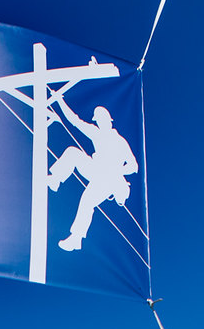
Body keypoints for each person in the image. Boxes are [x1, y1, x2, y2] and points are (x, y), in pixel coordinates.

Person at [46, 95, 137, 252]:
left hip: (109, 180)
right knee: (73, 153)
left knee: (87, 201)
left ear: (109, 121)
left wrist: (117, 171)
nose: (100, 122)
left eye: (102, 119)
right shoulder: (96, 133)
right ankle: (55, 180)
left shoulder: (120, 141)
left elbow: (133, 166)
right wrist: (59, 100)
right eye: (98, 120)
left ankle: (76, 238)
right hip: (96, 169)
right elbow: (75, 121)